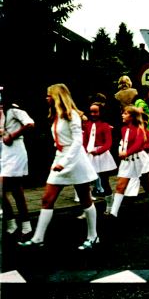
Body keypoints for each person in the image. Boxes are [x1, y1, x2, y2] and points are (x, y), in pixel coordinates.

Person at [19, 84, 99, 249]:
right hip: (61, 159)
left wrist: (64, 162)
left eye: (49, 95)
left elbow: (77, 142)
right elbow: (59, 144)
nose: (47, 98)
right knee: (47, 199)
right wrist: (57, 162)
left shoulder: (72, 115)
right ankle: (38, 238)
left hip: (76, 160)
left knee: (85, 200)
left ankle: (93, 236)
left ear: (57, 96)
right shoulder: (55, 116)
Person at [110, 106, 149, 217]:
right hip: (127, 161)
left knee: (145, 183)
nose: (122, 115)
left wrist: (127, 152)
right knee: (120, 186)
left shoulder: (140, 130)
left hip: (139, 159)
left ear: (132, 117)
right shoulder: (123, 129)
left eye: (125, 113)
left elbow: (138, 145)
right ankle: (114, 212)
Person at [1, 94, 35, 242]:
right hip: (3, 152)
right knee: (15, 189)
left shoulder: (14, 110)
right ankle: (19, 224)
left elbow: (30, 124)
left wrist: (13, 135)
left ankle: (18, 224)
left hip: (15, 150)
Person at [82, 102, 117, 215]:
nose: (93, 114)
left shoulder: (105, 125)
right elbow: (85, 141)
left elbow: (108, 143)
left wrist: (98, 151)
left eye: (95, 112)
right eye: (91, 112)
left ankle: (110, 207)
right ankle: (87, 210)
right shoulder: (87, 125)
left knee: (104, 182)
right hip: (89, 154)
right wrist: (85, 152)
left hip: (101, 155)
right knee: (85, 184)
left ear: (100, 112)